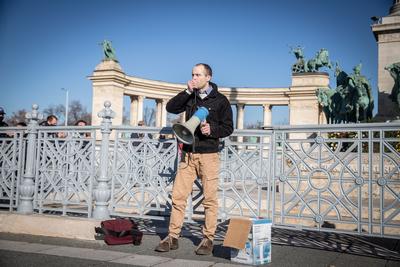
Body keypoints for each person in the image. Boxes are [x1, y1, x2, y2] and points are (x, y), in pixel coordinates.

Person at [154, 63, 233, 255]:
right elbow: (171, 107)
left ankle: (208, 239)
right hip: (187, 155)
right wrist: (186, 91)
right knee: (179, 197)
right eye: (192, 74)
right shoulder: (190, 96)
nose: (194, 77)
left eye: (198, 75)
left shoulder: (221, 101)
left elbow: (228, 128)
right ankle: (172, 237)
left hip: (209, 156)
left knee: (210, 199)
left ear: (208, 77)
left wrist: (212, 130)